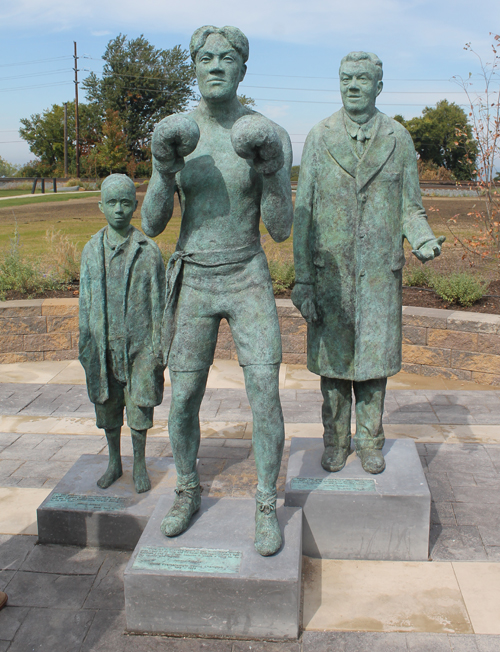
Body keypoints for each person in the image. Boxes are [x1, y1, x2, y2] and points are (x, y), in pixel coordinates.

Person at [141, 25, 293, 556]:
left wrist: (271, 170)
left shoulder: (266, 132)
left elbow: (279, 228)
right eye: (205, 57)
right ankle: (186, 489)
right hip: (195, 279)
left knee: (265, 396)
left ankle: (267, 503)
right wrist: (164, 170)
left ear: (243, 69)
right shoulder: (177, 133)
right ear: (194, 66)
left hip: (247, 274)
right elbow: (152, 224)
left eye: (227, 58)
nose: (215, 66)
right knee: (182, 399)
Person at [292, 51, 445, 475]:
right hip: (331, 278)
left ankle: (370, 440)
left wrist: (423, 238)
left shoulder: (399, 138)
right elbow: (303, 212)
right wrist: (302, 279)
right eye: (346, 78)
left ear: (380, 86)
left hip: (379, 275)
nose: (353, 85)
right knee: (335, 369)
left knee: (374, 366)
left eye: (362, 79)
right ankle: (336, 440)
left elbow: (410, 207)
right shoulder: (320, 137)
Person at [79, 174, 166, 493]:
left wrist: (159, 347)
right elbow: (84, 301)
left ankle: (140, 464)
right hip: (103, 344)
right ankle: (114, 462)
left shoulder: (148, 250)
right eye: (112, 202)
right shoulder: (91, 249)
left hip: (141, 346)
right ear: (100, 205)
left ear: (135, 206)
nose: (118, 209)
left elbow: (160, 302)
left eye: (126, 203)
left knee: (140, 407)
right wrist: (85, 343)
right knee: (108, 406)